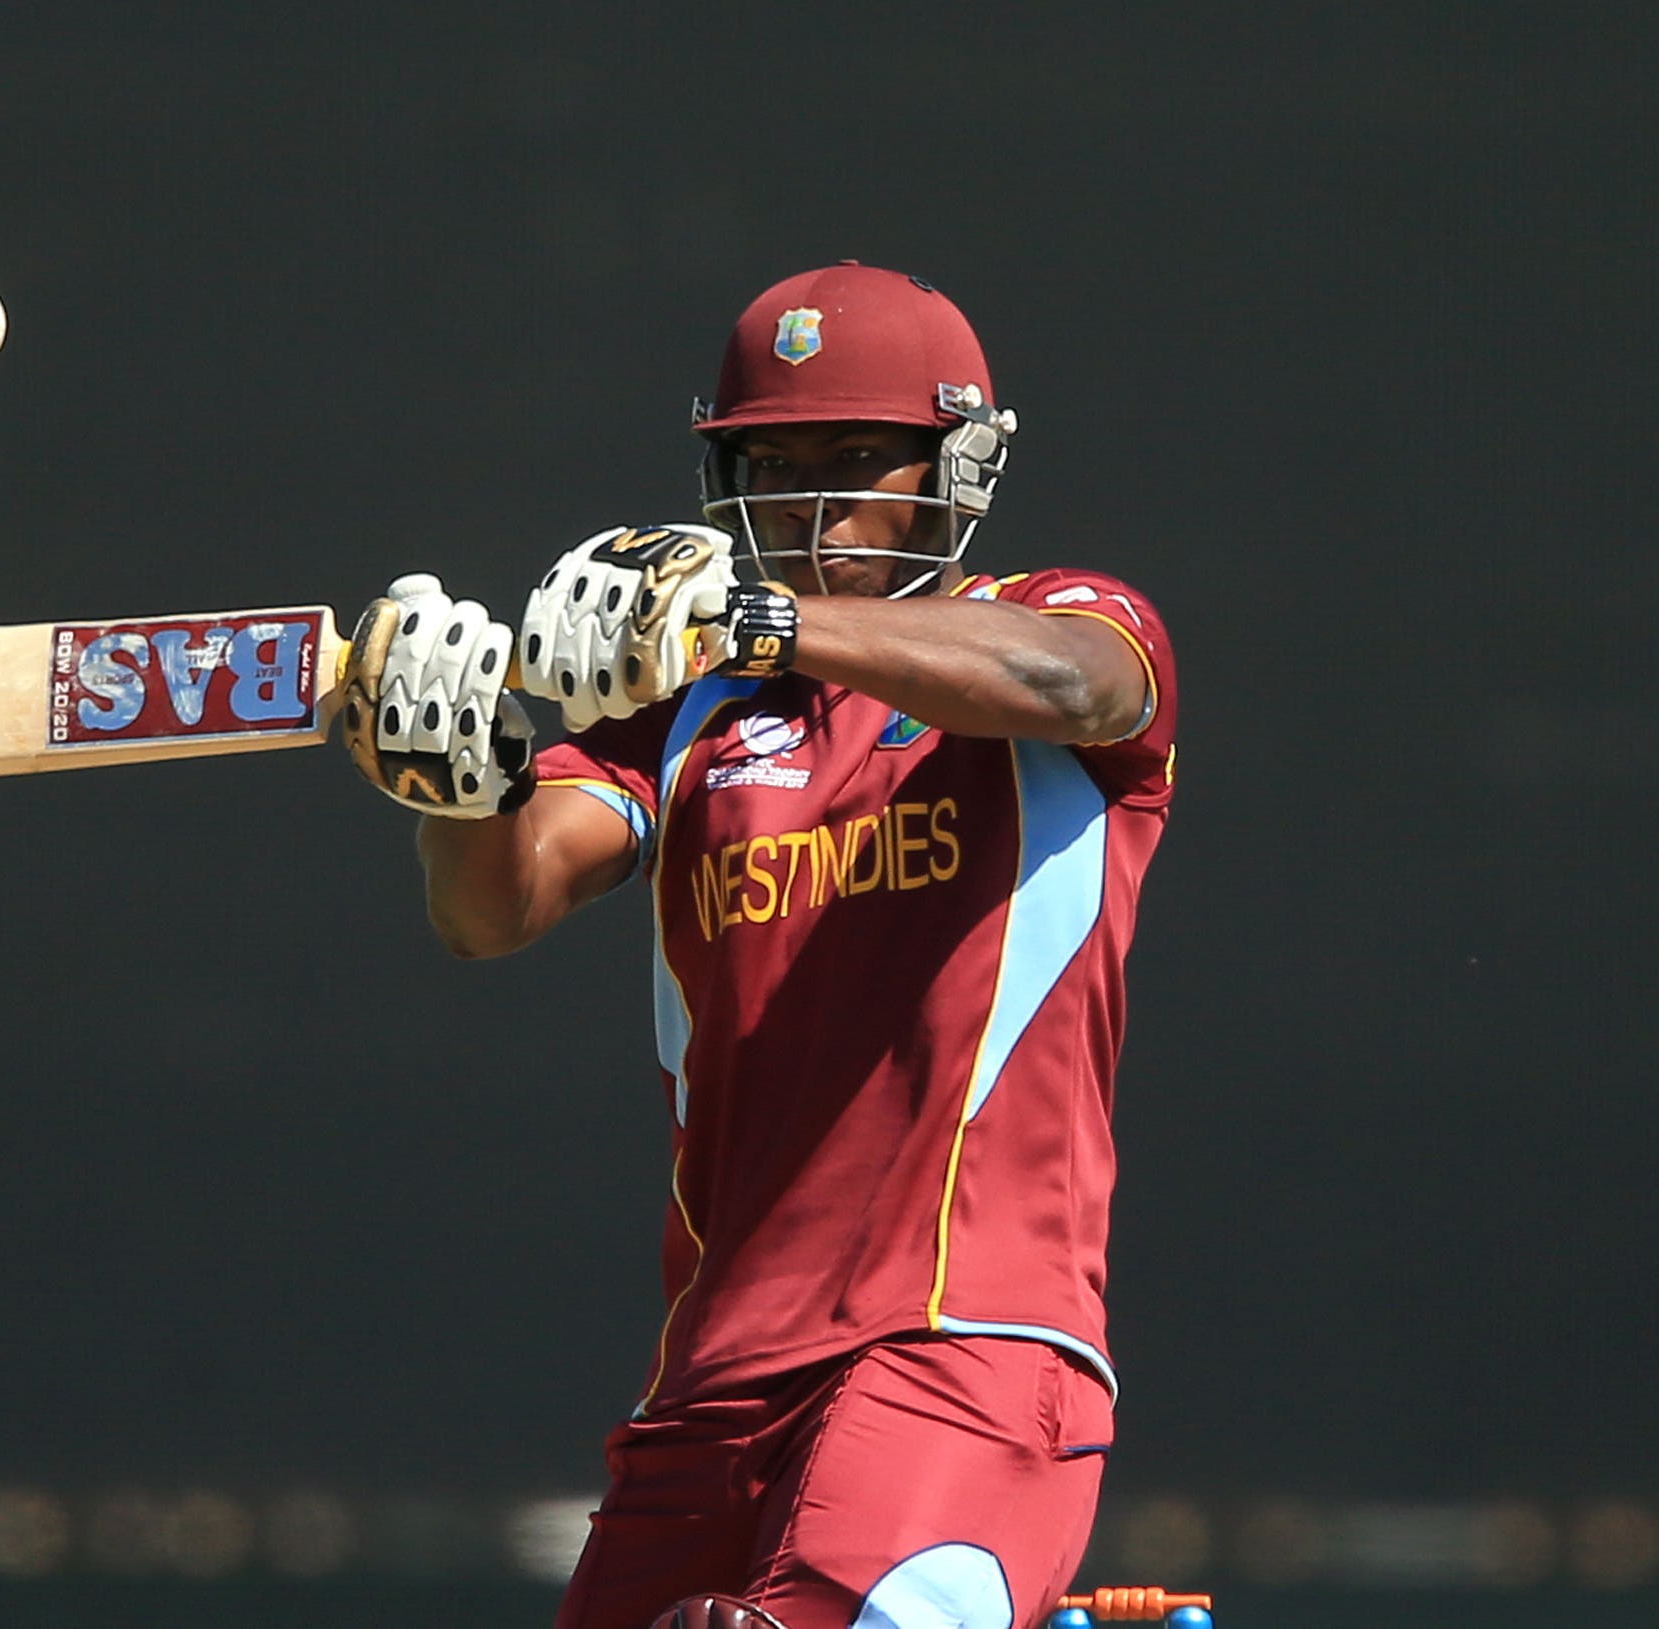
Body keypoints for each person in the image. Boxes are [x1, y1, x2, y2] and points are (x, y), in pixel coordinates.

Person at [338, 263, 1178, 1629]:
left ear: (953, 468)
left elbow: (1075, 683)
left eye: (859, 459)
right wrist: (456, 781)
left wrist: (771, 619)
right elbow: (490, 907)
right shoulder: (686, 714)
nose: (813, 500)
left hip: (963, 1353)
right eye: (774, 463)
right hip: (711, 1390)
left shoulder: (1065, 620)